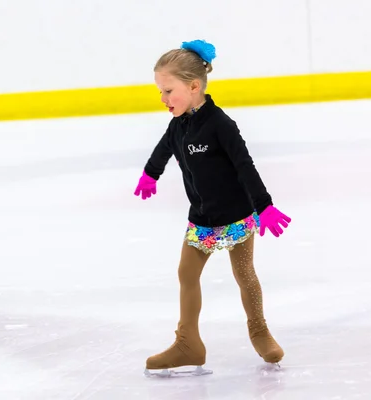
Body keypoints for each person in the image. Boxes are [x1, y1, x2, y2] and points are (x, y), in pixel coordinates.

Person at [134, 39, 291, 376]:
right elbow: (164, 149)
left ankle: (260, 331)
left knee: (244, 274)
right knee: (186, 273)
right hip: (202, 219)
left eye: (168, 91)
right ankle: (188, 342)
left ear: (193, 86)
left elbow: (244, 166)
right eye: (160, 92)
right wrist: (151, 173)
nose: (162, 99)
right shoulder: (179, 125)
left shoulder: (220, 125)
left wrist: (264, 206)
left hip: (236, 216)